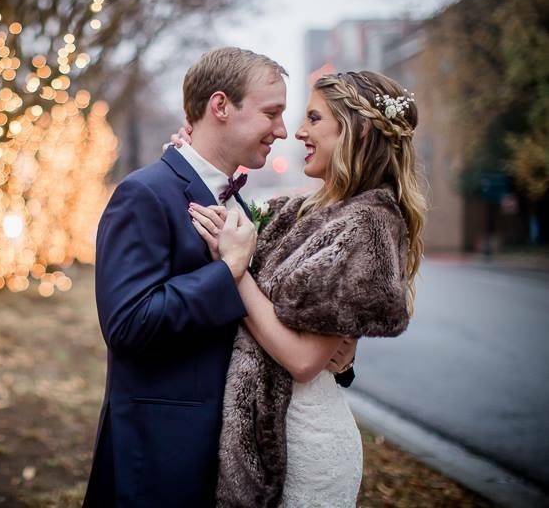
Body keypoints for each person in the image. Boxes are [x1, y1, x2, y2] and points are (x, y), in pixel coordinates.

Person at [83, 48, 355, 507]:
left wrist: (336, 356)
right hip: (164, 460)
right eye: (271, 113)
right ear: (221, 106)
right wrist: (227, 271)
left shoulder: (243, 208)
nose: (282, 130)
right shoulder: (144, 194)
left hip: (229, 464)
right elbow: (127, 325)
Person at [180, 70, 426, 507]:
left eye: (314, 119)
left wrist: (235, 271)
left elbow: (302, 361)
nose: (298, 131)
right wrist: (193, 154)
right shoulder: (300, 210)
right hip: (263, 435)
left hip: (301, 446)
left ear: (358, 130)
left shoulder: (368, 224)